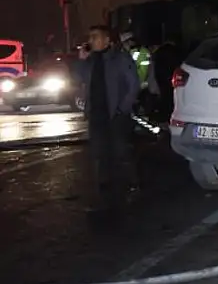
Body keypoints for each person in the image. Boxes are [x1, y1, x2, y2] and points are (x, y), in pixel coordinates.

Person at [74, 25, 140, 213]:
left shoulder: (119, 59)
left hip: (115, 114)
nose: (91, 41)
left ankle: (132, 186)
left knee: (121, 151)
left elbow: (133, 84)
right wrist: (81, 61)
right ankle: (105, 193)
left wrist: (122, 108)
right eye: (90, 37)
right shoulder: (91, 61)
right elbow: (78, 78)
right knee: (100, 154)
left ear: (107, 40)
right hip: (97, 114)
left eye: (95, 37)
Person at [151, 35, 184, 120]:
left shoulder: (160, 51)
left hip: (162, 77)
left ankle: (164, 115)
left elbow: (155, 64)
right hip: (172, 76)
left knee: (164, 96)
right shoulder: (177, 51)